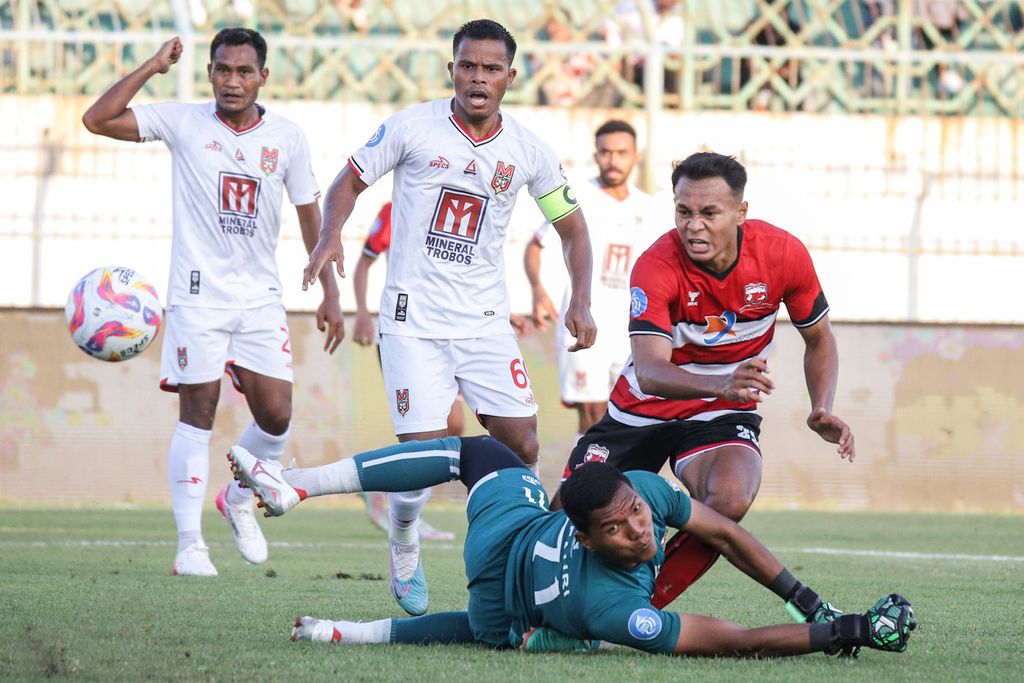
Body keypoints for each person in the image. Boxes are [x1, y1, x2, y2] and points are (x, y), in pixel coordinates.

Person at [302, 19, 596, 617]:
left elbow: (573, 229)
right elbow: (346, 183)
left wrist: (581, 298)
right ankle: (404, 537)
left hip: (485, 322)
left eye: (491, 69)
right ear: (451, 69)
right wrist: (331, 232)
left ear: (511, 77)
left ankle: (515, 543)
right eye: (468, 66)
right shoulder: (413, 126)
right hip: (413, 320)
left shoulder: (528, 151)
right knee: (424, 455)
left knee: (522, 442)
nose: (478, 78)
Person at [226, 436, 915, 657]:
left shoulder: (637, 491)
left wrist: (807, 597)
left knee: (478, 453)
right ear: (583, 536)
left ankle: (301, 494)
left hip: (517, 528)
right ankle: (306, 495)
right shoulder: (614, 605)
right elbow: (727, 638)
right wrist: (838, 630)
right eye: (618, 528)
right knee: (494, 632)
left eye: (639, 514)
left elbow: (726, 531)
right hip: (505, 594)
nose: (641, 529)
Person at [81, 28, 343, 576]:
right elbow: (98, 119)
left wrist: (331, 292)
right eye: (223, 69)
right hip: (197, 298)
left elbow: (309, 215)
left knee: (276, 416)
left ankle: (238, 497)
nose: (232, 80)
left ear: (263, 77)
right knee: (197, 416)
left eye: (245, 71)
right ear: (209, 73)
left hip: (260, 300)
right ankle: (189, 545)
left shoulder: (288, 138)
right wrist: (153, 65)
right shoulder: (185, 123)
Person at [554, 152, 855, 610]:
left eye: (709, 213)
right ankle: (523, 598)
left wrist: (822, 407)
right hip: (642, 410)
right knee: (563, 518)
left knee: (728, 498)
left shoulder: (782, 254)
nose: (693, 226)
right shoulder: (656, 265)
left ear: (740, 213)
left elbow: (820, 339)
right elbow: (652, 372)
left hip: (721, 410)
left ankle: (639, 608)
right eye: (683, 211)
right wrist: (721, 383)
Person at [525, 119, 660, 439]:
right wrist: (538, 290)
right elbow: (535, 245)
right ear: (596, 155)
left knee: (632, 416)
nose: (613, 160)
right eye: (605, 152)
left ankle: (615, 486)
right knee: (593, 417)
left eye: (621, 153)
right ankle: (585, 486)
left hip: (631, 327)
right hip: (585, 321)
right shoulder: (576, 196)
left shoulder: (649, 208)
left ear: (635, 156)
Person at [352, 200, 460, 541]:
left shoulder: (457, 203)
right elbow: (363, 264)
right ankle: (406, 516)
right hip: (404, 330)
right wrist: (363, 313)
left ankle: (389, 492)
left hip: (452, 327)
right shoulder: (392, 210)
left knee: (451, 427)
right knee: (423, 430)